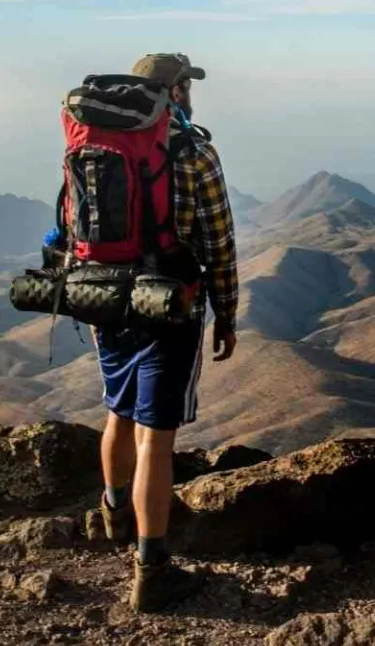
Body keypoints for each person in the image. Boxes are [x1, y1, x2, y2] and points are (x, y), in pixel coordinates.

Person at [82, 52, 239, 614]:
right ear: (174, 92)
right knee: (156, 437)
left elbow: (75, 226)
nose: (189, 93)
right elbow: (219, 242)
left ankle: (113, 516)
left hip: (104, 298)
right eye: (185, 85)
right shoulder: (194, 152)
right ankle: (152, 572)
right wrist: (227, 312)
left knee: (117, 412)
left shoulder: (95, 144)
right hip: (170, 304)